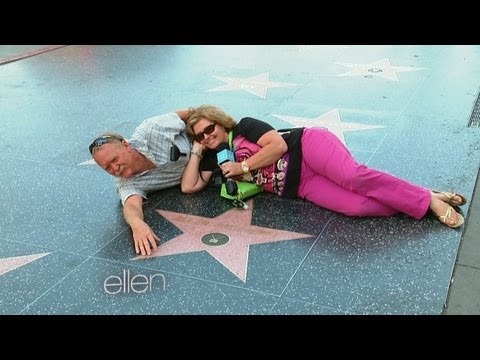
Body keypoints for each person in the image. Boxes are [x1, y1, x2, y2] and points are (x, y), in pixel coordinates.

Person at [181, 105, 467, 228]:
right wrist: (197, 151)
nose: (207, 136)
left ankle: (425, 199)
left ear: (219, 121)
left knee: (354, 177)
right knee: (357, 208)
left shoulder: (244, 126)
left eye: (209, 129)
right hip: (301, 186)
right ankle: (426, 199)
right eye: (200, 136)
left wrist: (242, 168)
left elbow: (278, 146)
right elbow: (189, 186)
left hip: (307, 148)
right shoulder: (213, 157)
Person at [89, 109, 194, 256]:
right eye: (107, 168)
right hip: (205, 170)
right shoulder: (125, 181)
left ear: (126, 145)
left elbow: (191, 113)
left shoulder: (151, 130)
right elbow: (131, 205)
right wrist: (137, 225)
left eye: (115, 160)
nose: (115, 168)